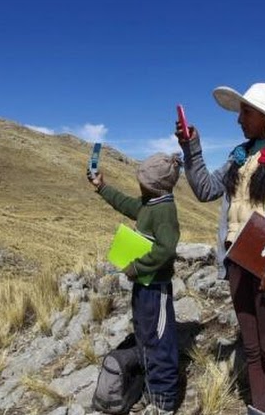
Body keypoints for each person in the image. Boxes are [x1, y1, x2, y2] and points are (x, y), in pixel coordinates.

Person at [176, 83, 265, 415]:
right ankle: (259, 407)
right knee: (252, 346)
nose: (239, 119)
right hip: (239, 261)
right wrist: (191, 148)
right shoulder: (240, 156)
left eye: (246, 112)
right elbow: (207, 189)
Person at [89, 153, 182, 415]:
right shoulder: (151, 203)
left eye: (142, 181)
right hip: (144, 285)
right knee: (144, 336)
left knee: (159, 341)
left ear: (153, 185)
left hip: (156, 288)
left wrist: (136, 267)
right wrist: (102, 188)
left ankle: (164, 401)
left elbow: (166, 249)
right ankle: (151, 390)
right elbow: (128, 205)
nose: (138, 185)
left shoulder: (164, 210)